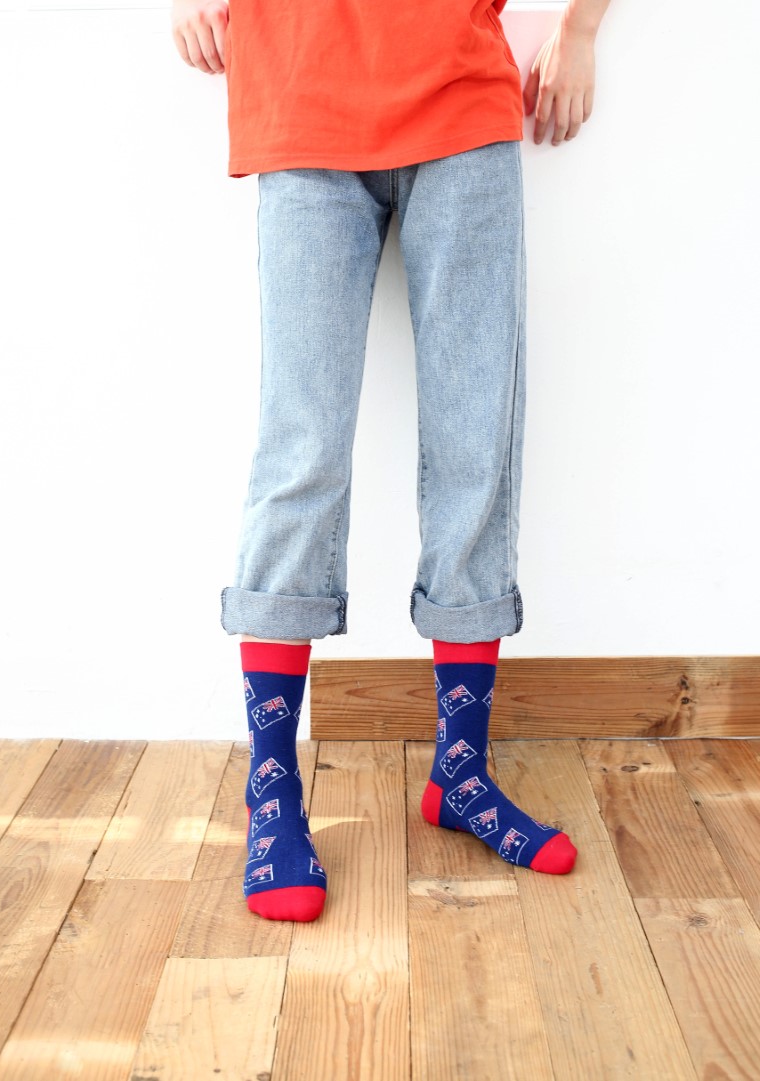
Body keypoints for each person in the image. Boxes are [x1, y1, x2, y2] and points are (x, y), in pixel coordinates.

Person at [171, 0, 612, 922]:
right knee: (301, 451)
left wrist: (581, 29)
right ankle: (271, 786)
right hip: (300, 94)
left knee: (476, 441)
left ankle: (462, 772)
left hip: (462, 99)